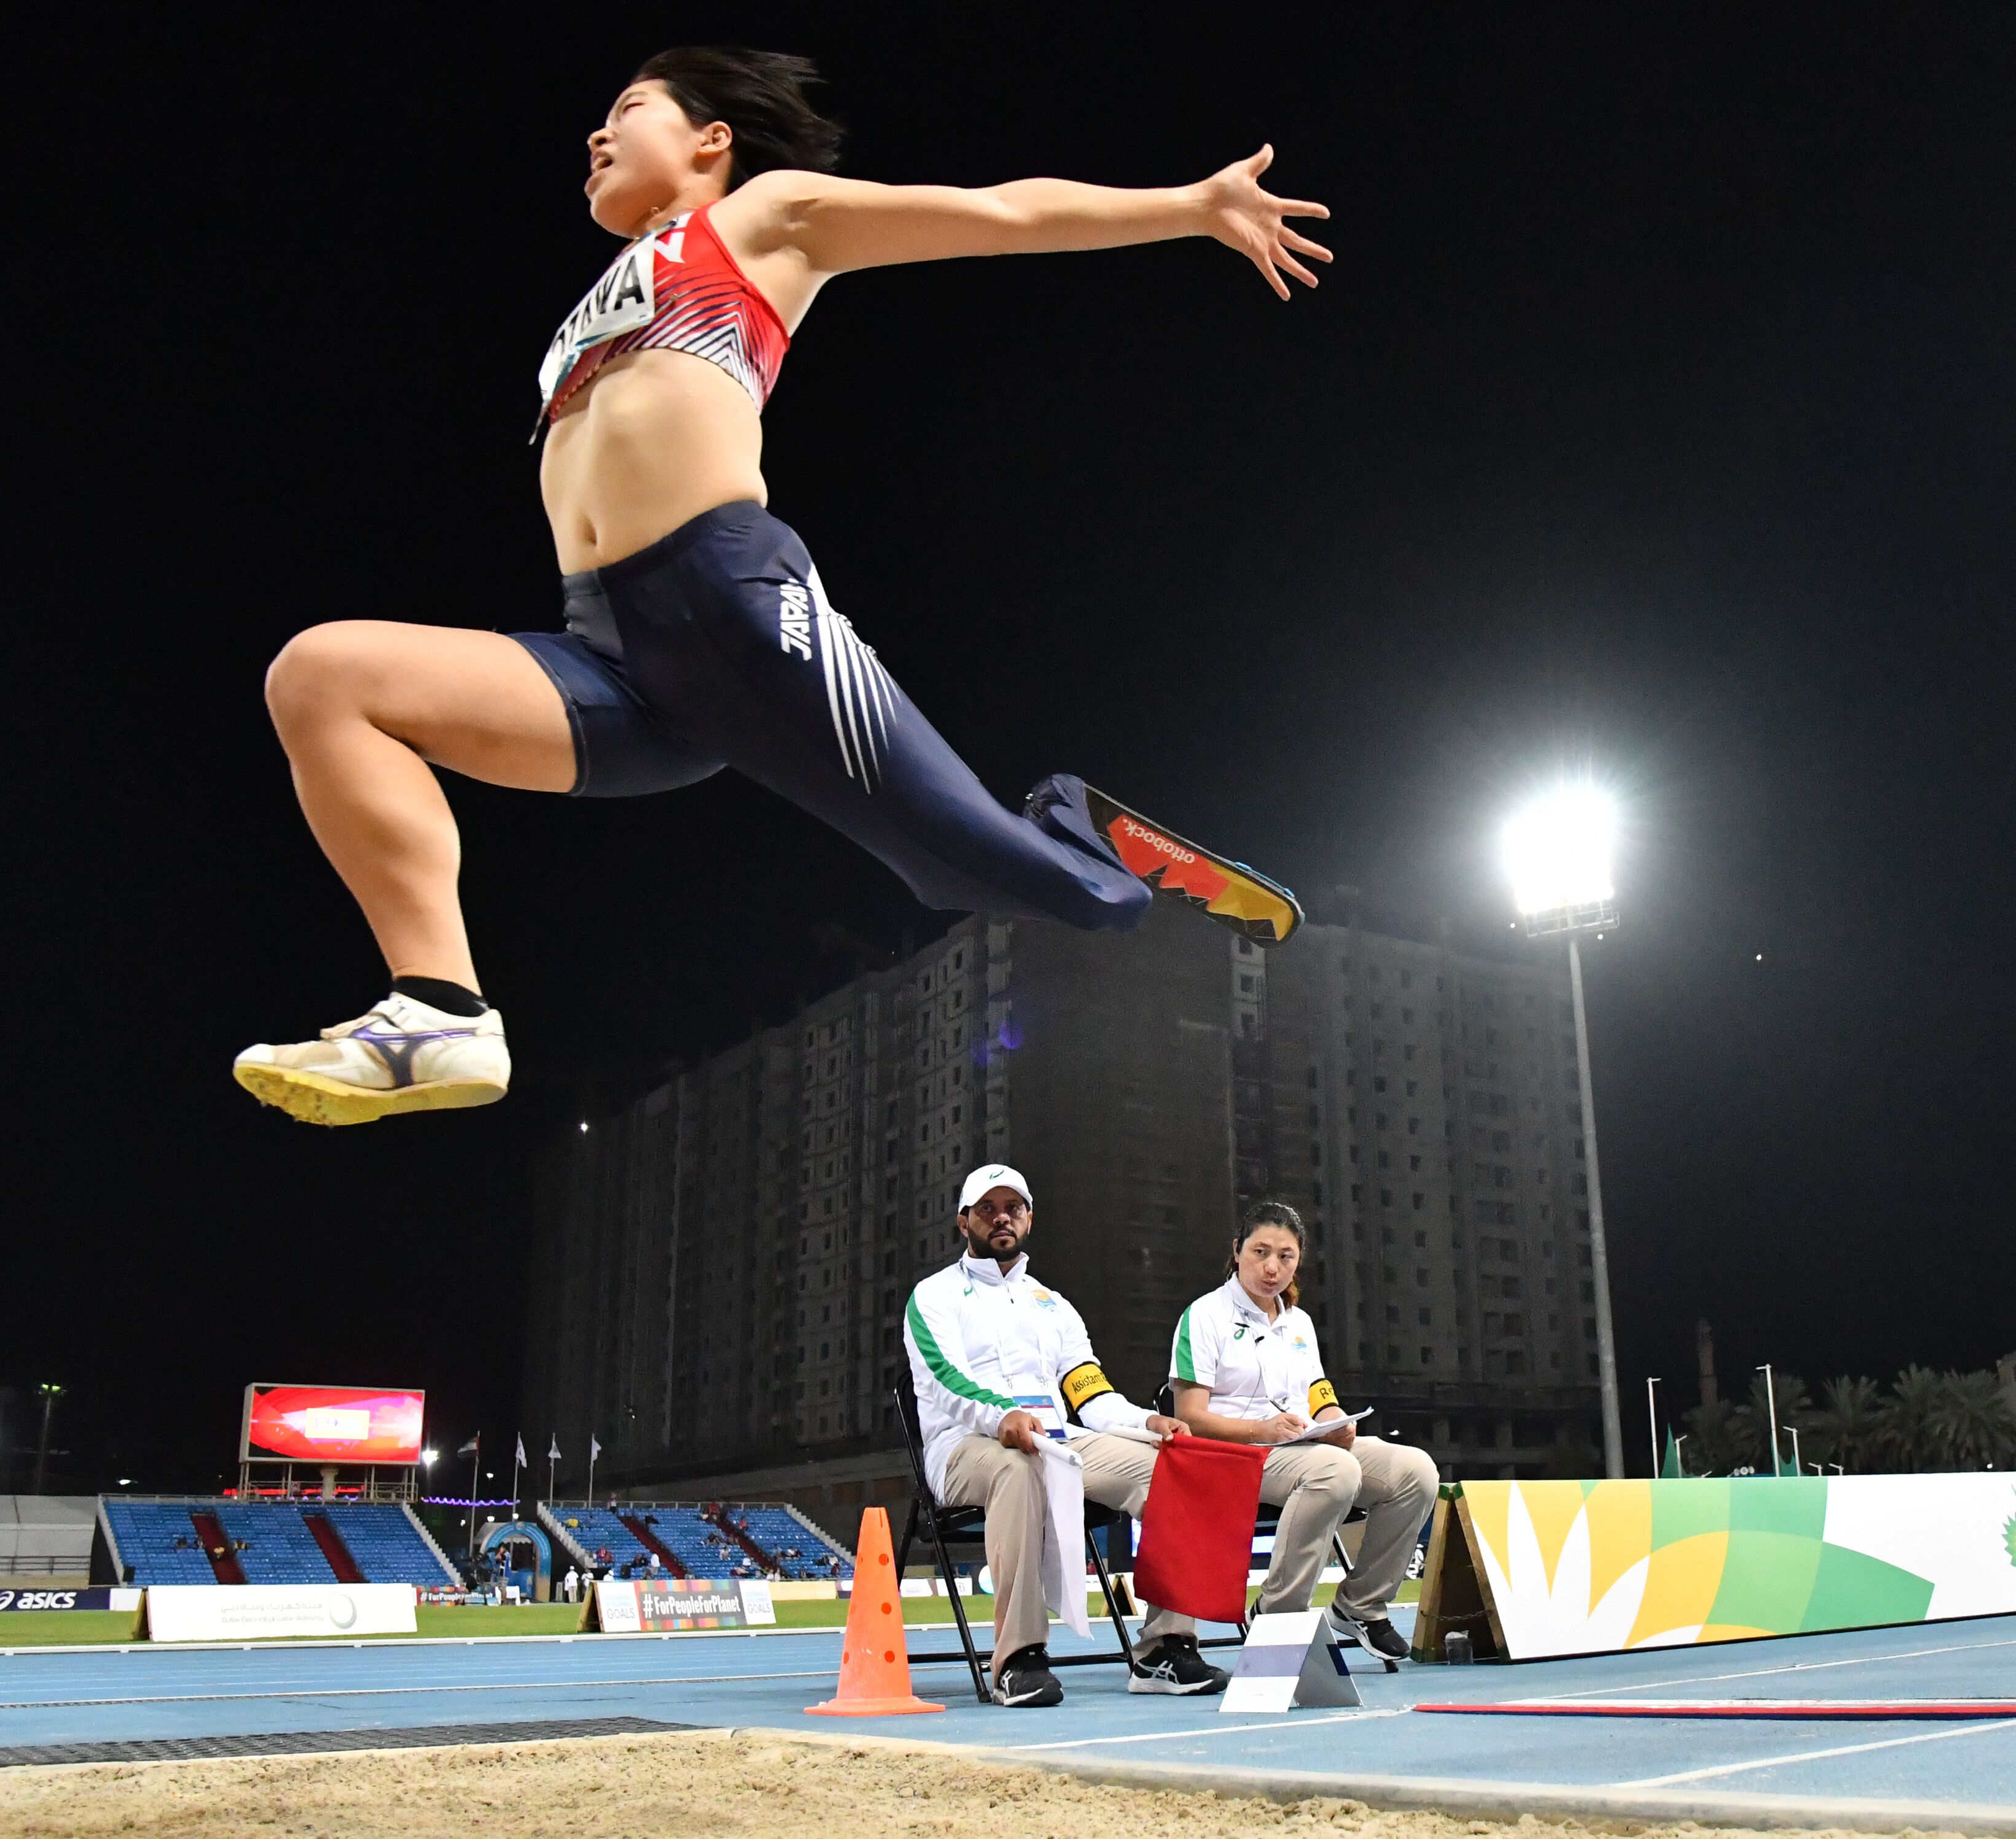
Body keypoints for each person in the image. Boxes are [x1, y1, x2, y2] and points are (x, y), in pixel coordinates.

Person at [234, 46, 1326, 1127]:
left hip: (731, 602)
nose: (596, 133)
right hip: (607, 655)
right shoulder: (596, 301)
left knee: (1011, 880)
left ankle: (1078, 830)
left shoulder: (764, 217)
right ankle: (438, 1011)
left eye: (628, 108)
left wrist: (1191, 204)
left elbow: (1000, 213)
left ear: (711, 139)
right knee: (326, 677)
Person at [904, 1163, 1229, 1705]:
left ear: (1030, 1219)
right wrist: (1000, 1416)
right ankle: (1018, 1657)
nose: (1001, 1217)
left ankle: (1164, 1648)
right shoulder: (933, 1296)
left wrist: (1145, 1423)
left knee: (1171, 1466)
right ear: (964, 1222)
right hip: (964, 1446)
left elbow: (1090, 1393)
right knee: (1018, 1464)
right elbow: (942, 1380)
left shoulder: (1053, 1306)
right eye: (987, 1209)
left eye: (1013, 1208)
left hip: (1059, 1441)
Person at [1165, 1200, 1438, 1660]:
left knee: (1416, 1470)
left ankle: (1361, 1606)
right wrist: (1262, 1431)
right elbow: (1190, 1415)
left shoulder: (1300, 1324)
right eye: (1260, 1252)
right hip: (1233, 1454)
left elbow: (1318, 1393)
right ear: (1237, 1251)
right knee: (1333, 1471)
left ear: (1298, 1261)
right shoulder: (1203, 1316)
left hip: (1302, 1448)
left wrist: (1334, 1422)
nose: (1272, 1268)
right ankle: (1277, 1616)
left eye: (1286, 1256)